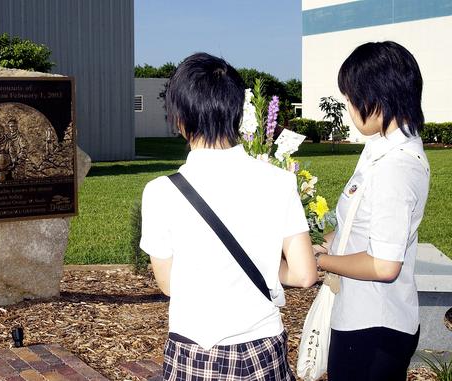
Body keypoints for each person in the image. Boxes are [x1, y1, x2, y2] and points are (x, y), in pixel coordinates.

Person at [140, 52, 317, 381]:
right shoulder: (279, 182)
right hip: (263, 352)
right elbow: (305, 274)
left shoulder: (160, 192)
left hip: (195, 353)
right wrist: (263, 260)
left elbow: (168, 285)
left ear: (179, 117)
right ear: (237, 112)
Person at [314, 41, 430, 381]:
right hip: (365, 317)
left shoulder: (395, 167)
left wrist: (320, 261)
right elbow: (366, 227)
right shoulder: (383, 149)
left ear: (377, 96)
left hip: (373, 327)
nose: (349, 108)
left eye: (351, 98)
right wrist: (323, 238)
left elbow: (383, 264)